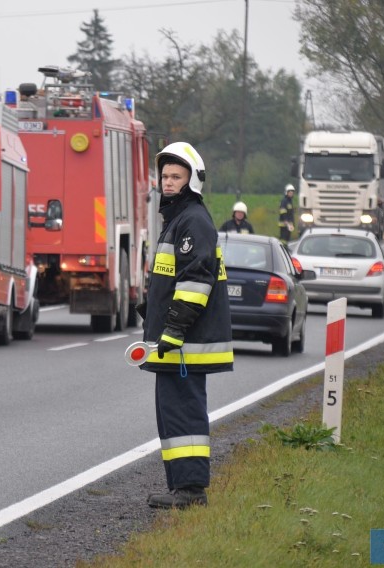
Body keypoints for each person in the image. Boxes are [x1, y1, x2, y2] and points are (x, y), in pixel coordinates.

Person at [136, 142, 234, 509]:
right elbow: (174, 277)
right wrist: (154, 309)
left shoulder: (192, 220)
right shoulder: (178, 220)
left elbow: (196, 280)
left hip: (183, 346)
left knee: (184, 415)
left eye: (176, 176)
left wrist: (174, 329)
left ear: (192, 181)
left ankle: (191, 491)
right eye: (164, 176)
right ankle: (182, 488)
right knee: (174, 415)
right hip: (175, 344)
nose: (169, 182)